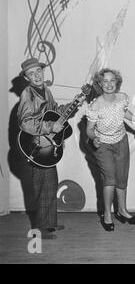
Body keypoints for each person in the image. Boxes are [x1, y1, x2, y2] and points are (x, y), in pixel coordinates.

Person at [17, 58, 72, 240]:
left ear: (43, 72)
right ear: (27, 78)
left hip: (47, 145)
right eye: (31, 74)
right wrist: (49, 128)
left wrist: (68, 109)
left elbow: (53, 111)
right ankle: (39, 230)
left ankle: (49, 223)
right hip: (35, 147)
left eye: (38, 71)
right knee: (41, 187)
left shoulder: (46, 91)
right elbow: (25, 123)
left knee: (50, 184)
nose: (37, 75)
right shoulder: (28, 94)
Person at [86, 68, 135, 231]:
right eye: (105, 81)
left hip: (121, 141)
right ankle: (107, 214)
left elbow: (124, 112)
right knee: (109, 179)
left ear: (117, 82)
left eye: (112, 80)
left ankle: (122, 211)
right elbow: (89, 130)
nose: (109, 84)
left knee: (121, 177)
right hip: (103, 145)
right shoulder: (95, 105)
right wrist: (94, 138)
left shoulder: (122, 98)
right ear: (99, 84)